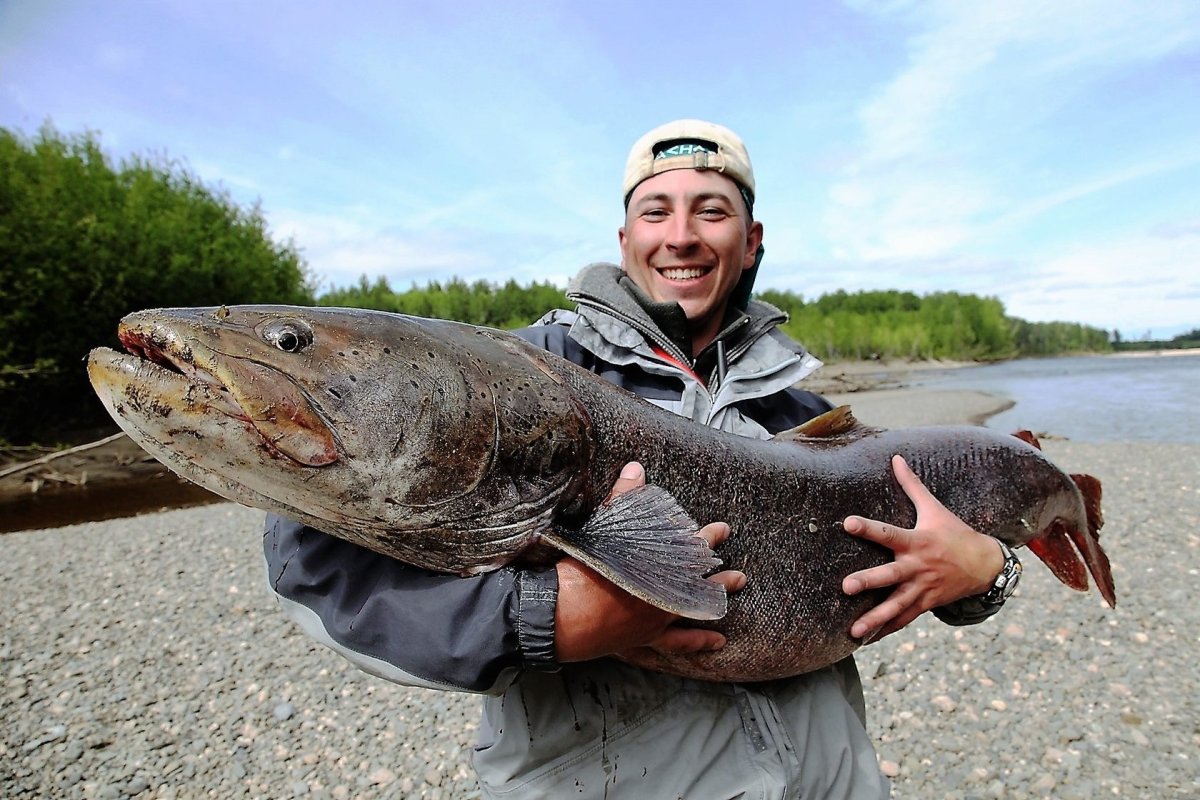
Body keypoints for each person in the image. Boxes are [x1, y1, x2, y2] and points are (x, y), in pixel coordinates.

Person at [263, 120, 1019, 798]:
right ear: (624, 240)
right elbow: (323, 571)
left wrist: (982, 576)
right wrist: (545, 618)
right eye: (656, 211)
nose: (681, 235)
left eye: (712, 211)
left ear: (752, 240)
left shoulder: (804, 416)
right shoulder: (520, 378)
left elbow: (911, 567)